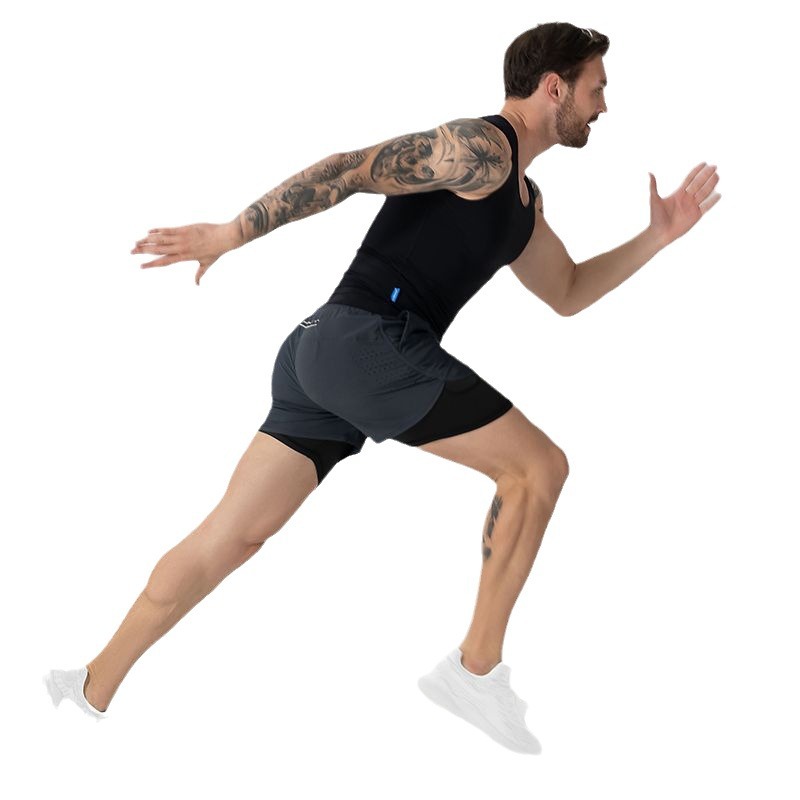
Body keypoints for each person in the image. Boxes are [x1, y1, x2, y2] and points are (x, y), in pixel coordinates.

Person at [43, 22, 721, 754]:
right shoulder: (481, 147)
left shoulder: (522, 200)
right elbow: (351, 168)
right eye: (596, 87)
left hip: (321, 353)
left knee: (232, 536)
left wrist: (658, 237)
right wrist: (229, 234)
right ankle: (474, 671)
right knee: (538, 468)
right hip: (367, 343)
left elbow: (567, 290)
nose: (604, 105)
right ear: (554, 87)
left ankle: (91, 683)